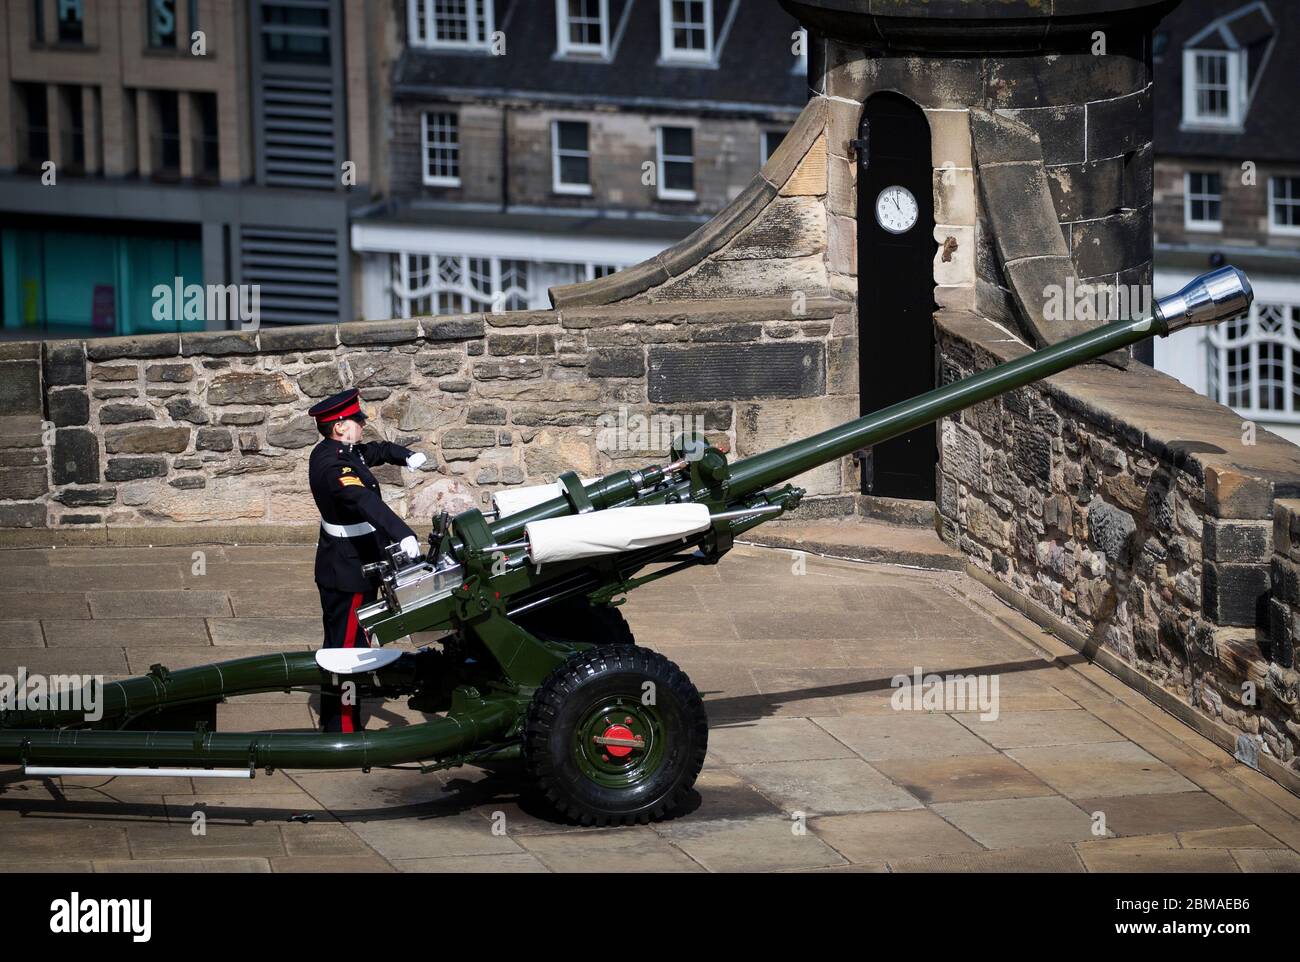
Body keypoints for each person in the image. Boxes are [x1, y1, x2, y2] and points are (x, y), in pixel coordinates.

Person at [307, 388, 427, 733]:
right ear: (341, 426)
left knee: (358, 640)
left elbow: (373, 451)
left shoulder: (341, 451)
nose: (362, 425)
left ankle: (357, 698)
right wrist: (401, 531)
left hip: (357, 560)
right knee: (345, 650)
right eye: (357, 421)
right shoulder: (332, 465)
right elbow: (362, 500)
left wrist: (404, 455)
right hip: (347, 569)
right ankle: (342, 728)